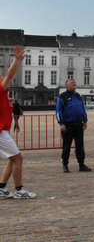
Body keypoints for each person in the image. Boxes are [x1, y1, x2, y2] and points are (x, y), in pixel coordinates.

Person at [0, 45, 36, 199]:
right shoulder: (0, 90)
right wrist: (17, 60)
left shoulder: (4, 93)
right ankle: (19, 190)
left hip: (3, 131)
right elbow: (10, 76)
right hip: (0, 131)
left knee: (12, 158)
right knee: (18, 158)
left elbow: (9, 76)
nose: (1, 77)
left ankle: (2, 187)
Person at [56, 79, 92, 173]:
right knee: (66, 145)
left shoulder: (78, 96)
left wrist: (85, 120)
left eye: (75, 83)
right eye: (72, 83)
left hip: (78, 124)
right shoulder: (62, 97)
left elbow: (82, 108)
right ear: (67, 86)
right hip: (68, 125)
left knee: (80, 145)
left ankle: (81, 164)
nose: (74, 85)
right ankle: (65, 164)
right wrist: (61, 123)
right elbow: (58, 111)